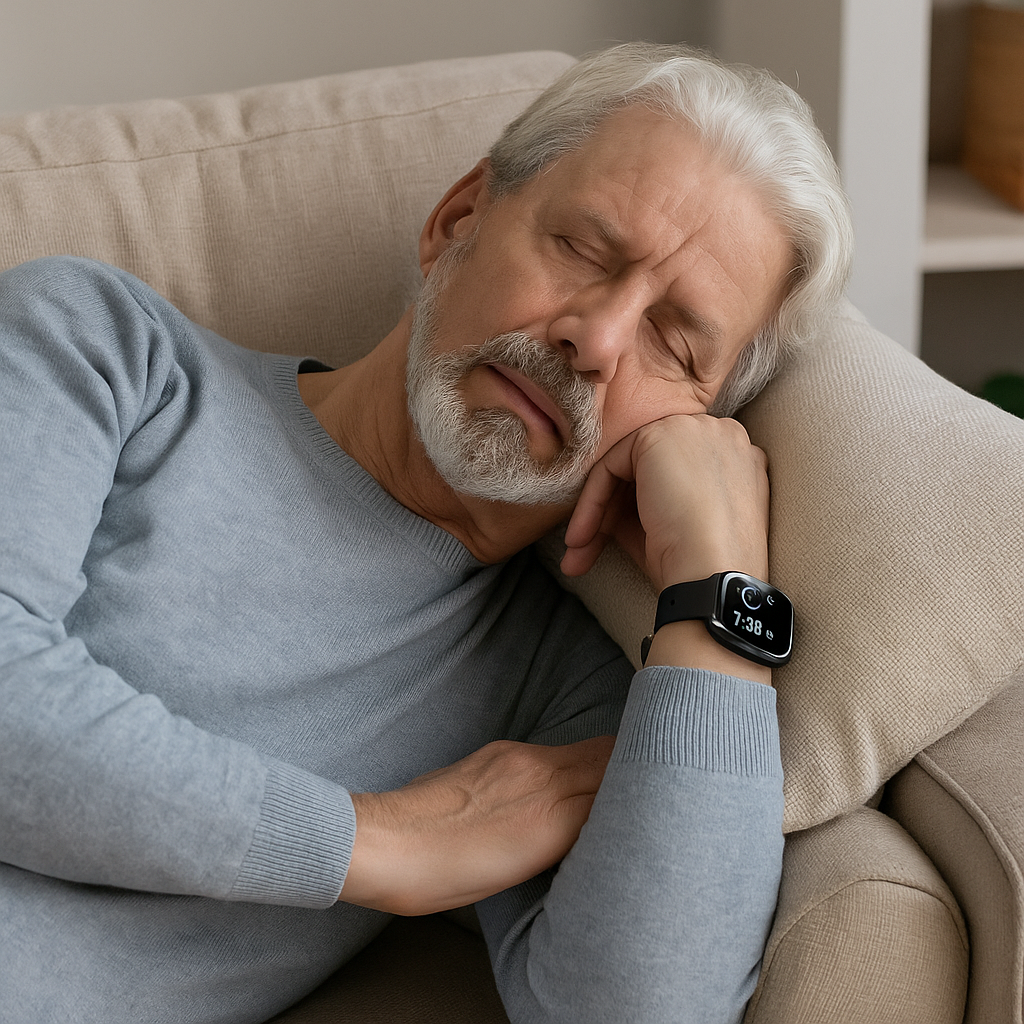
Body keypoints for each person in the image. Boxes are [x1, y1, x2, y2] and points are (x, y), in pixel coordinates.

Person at [0, 42, 851, 1024]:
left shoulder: (565, 691)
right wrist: (381, 843)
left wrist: (717, 588)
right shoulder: (105, 350)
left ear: (698, 422)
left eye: (676, 341)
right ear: (458, 221)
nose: (597, 338)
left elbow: (636, 1008)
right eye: (583, 248)